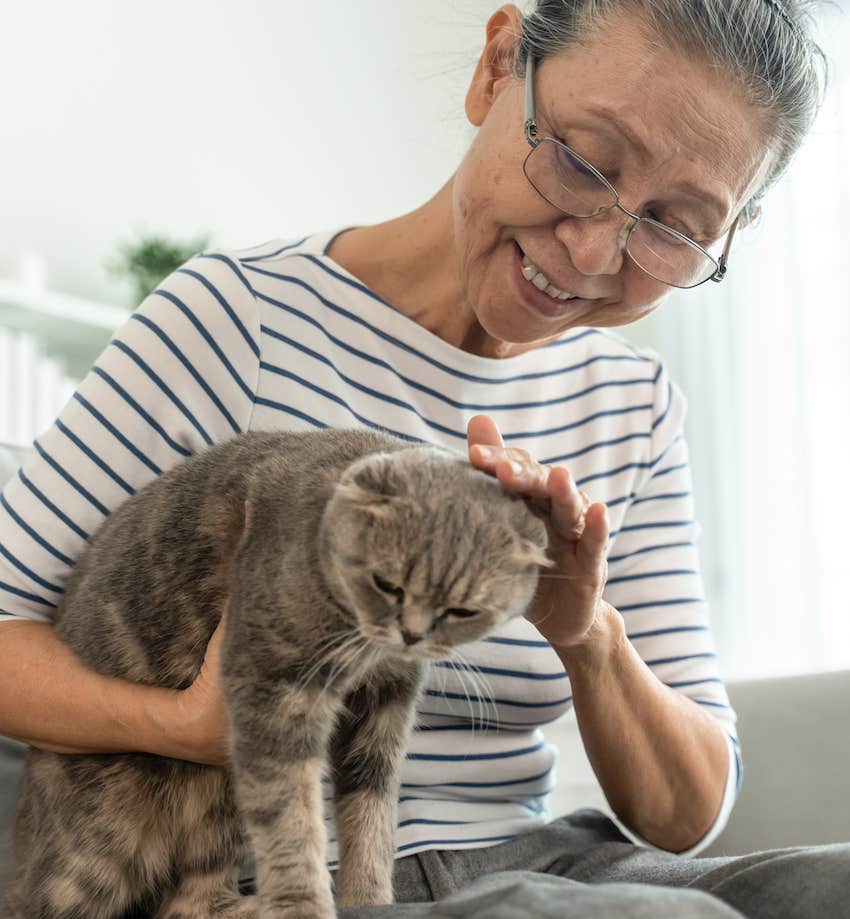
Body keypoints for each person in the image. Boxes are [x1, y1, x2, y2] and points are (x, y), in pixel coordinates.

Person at [0, 1, 845, 916]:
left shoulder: (631, 402)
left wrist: (584, 632)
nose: (598, 250)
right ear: (497, 67)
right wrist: (189, 727)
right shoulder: (238, 321)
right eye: (582, 160)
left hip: (548, 861)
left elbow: (687, 815)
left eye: (675, 228)